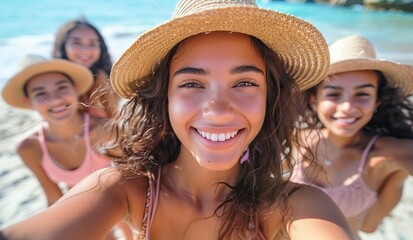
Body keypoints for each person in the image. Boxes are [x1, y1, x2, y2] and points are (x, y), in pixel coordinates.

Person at [0, 0, 353, 239]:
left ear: (270, 99)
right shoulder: (125, 189)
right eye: (192, 83)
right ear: (163, 99)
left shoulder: (298, 206)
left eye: (244, 82)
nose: (217, 108)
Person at [289, 35, 413, 240]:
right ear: (313, 99)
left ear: (377, 102)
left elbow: (371, 226)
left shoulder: (390, 155)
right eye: (333, 94)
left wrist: (395, 180)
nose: (347, 107)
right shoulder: (292, 140)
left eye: (362, 94)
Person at [1, 55, 130, 240]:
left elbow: (134, 182)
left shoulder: (105, 131)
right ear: (28, 102)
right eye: (40, 93)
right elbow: (54, 199)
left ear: (76, 91)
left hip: (123, 201)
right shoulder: (29, 147)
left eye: (62, 87)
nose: (54, 99)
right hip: (82, 208)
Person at [53, 18, 118, 118]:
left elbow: (115, 119)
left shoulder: (104, 80)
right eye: (76, 42)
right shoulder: (53, 82)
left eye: (92, 43)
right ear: (62, 46)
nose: (85, 50)